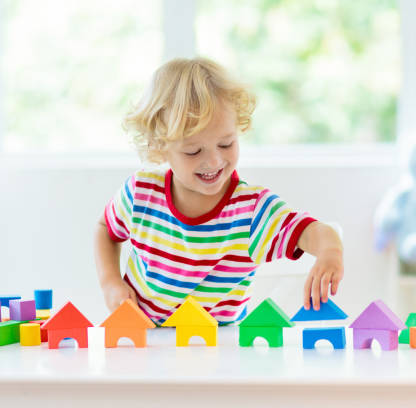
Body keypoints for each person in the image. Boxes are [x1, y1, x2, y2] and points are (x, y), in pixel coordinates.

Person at [93, 57, 344, 325]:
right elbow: (105, 230)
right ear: (160, 146)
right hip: (144, 339)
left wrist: (331, 252)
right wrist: (110, 282)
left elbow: (312, 231)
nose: (213, 161)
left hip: (217, 349)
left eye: (226, 144)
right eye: (193, 150)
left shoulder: (251, 210)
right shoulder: (141, 192)